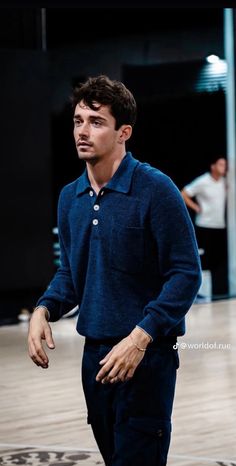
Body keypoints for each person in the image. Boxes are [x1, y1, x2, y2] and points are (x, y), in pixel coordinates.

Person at [28, 75, 201, 466]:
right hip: (96, 358)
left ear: (124, 132)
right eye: (77, 120)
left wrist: (141, 337)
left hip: (147, 354)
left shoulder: (156, 189)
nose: (82, 131)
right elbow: (71, 275)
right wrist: (44, 309)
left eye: (96, 121)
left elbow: (186, 274)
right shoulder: (69, 197)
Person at [181, 157, 228, 299]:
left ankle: (215, 292)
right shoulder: (203, 181)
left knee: (217, 260)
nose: (223, 167)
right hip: (205, 226)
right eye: (220, 164)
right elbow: (184, 193)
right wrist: (196, 207)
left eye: (225, 165)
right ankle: (198, 292)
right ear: (213, 166)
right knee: (203, 260)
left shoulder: (225, 182)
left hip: (219, 226)